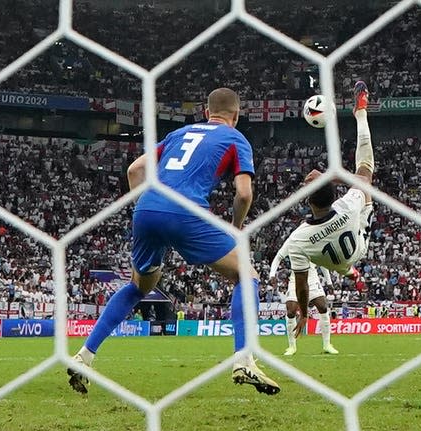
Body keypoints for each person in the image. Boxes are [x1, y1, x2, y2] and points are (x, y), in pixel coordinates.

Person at [67, 87, 280, 395]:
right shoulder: (236, 139)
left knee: (140, 286)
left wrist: (149, 209)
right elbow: (244, 193)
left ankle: (84, 356)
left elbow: (135, 169)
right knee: (247, 275)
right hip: (185, 211)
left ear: (207, 113)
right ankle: (244, 359)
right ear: (235, 117)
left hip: (147, 208)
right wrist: (236, 228)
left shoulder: (179, 133)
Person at [289, 80, 375, 337]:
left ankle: (348, 270)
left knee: (333, 262)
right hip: (358, 242)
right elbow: (363, 181)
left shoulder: (298, 238)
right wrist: (330, 175)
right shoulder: (348, 205)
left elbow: (302, 286)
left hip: (336, 255)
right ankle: (361, 114)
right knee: (365, 169)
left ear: (307, 200)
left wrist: (305, 313)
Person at [269, 245, 338, 356]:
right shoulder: (293, 241)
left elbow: (323, 263)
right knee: (291, 311)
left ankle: (327, 345)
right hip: (296, 278)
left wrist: (329, 282)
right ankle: (292, 347)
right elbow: (278, 257)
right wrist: (272, 275)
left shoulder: (315, 241)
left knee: (323, 307)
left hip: (312, 278)